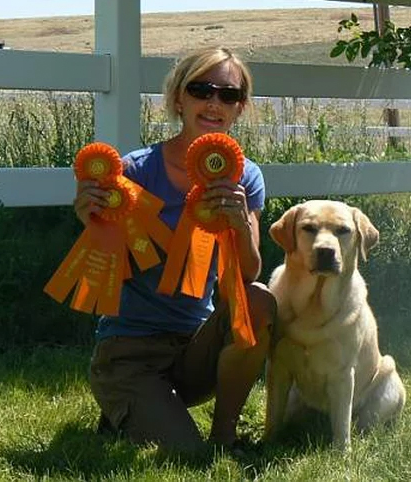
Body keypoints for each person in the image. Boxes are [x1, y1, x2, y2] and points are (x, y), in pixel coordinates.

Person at [73, 46, 276, 454]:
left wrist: (238, 222)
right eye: (202, 89)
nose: (214, 102)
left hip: (192, 349)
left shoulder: (245, 177)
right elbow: (108, 271)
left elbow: (248, 274)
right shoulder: (135, 170)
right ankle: (130, 403)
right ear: (178, 99)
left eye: (229, 95)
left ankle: (224, 434)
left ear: (240, 109)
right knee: (186, 458)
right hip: (130, 350)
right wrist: (91, 223)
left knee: (259, 300)